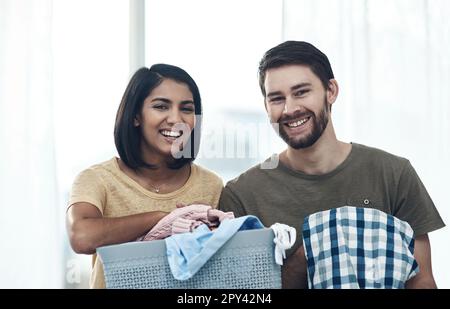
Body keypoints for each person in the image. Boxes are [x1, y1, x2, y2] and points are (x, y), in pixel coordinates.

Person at [218, 41, 445, 288]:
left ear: (331, 91)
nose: (290, 108)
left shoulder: (393, 174)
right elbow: (244, 292)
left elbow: (422, 279)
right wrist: (314, 248)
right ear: (266, 107)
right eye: (276, 98)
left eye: (301, 92)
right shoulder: (241, 196)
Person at [66, 64, 223, 288]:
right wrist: (162, 218)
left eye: (186, 109)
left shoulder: (210, 185)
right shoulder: (97, 179)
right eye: (161, 106)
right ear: (136, 116)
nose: (176, 119)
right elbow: (81, 237)